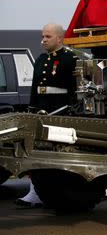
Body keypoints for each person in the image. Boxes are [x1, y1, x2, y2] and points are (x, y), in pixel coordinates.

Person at [15, 23, 78, 208]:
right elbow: (35, 87)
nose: (43, 40)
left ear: (60, 38)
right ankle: (34, 192)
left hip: (60, 111)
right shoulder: (41, 59)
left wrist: (69, 110)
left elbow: (74, 91)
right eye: (43, 36)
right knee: (34, 150)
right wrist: (32, 109)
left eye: (48, 37)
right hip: (41, 110)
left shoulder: (70, 59)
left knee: (56, 154)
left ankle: (59, 192)